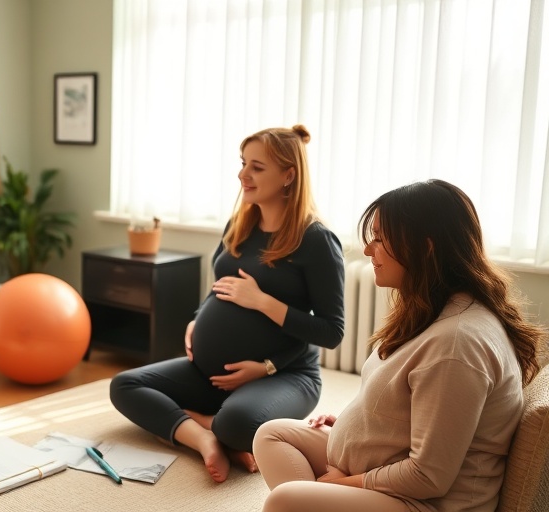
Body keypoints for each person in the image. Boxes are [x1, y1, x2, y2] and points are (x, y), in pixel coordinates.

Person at [252, 179, 545, 512]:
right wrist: (358, 423)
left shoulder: (457, 344)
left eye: (378, 238)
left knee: (285, 500)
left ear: (426, 247)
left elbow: (428, 477)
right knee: (272, 434)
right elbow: (408, 402)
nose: (367, 249)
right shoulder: (437, 309)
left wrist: (340, 483)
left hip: (426, 502)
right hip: (388, 468)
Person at [110, 125, 346, 483]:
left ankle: (209, 426)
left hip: (286, 375)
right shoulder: (240, 224)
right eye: (242, 163)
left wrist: (265, 339)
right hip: (210, 373)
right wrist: (196, 320)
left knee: (238, 423)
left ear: (288, 175)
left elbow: (331, 331)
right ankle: (205, 437)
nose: (242, 174)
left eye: (256, 167)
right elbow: (219, 288)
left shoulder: (316, 240)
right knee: (124, 386)